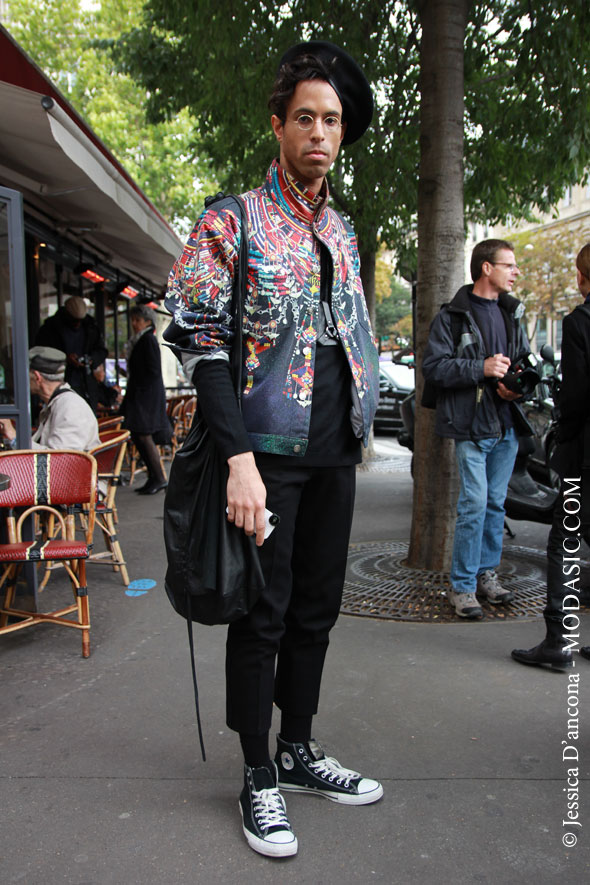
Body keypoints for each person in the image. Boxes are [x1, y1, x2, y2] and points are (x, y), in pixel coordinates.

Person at [164, 41, 382, 858]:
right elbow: (199, 339)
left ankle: (297, 746)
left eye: (331, 120)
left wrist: (357, 430)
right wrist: (239, 461)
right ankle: (258, 772)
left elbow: (347, 334)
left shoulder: (342, 228)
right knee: (262, 612)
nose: (320, 132)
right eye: (305, 118)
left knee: (317, 608)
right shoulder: (234, 219)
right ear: (278, 123)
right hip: (264, 454)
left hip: (334, 455)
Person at [422, 239, 532, 619]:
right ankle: (463, 587)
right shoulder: (453, 316)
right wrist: (481, 369)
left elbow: (523, 365)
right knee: (473, 506)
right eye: (510, 265)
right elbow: (434, 368)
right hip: (471, 427)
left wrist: (516, 386)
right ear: (487, 268)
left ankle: (487, 575)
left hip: (505, 426)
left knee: (495, 506)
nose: (515, 272)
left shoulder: (512, 312)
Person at [512, 243, 590, 670]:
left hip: (585, 457)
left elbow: (577, 396)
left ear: (582, 278)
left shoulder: (580, 322)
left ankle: (559, 639)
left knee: (565, 541)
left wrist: (565, 436)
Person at [0, 347, 100, 451]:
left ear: (37, 377)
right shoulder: (59, 403)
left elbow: (61, 461)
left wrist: (13, 436)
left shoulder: (70, 407)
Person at [121, 304, 170, 495]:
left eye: (137, 320)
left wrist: (138, 385)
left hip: (145, 397)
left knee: (143, 435)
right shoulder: (143, 339)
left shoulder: (147, 340)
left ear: (147, 322)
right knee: (139, 435)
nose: (134, 324)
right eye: (133, 320)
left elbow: (152, 371)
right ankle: (155, 477)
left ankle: (158, 477)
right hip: (143, 395)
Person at [35, 296, 107, 413]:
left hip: (86, 385)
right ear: (66, 315)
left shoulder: (91, 328)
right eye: (74, 320)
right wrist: (65, 358)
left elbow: (101, 350)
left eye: (80, 321)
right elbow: (42, 352)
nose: (77, 324)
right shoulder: (51, 329)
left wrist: (91, 359)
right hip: (59, 380)